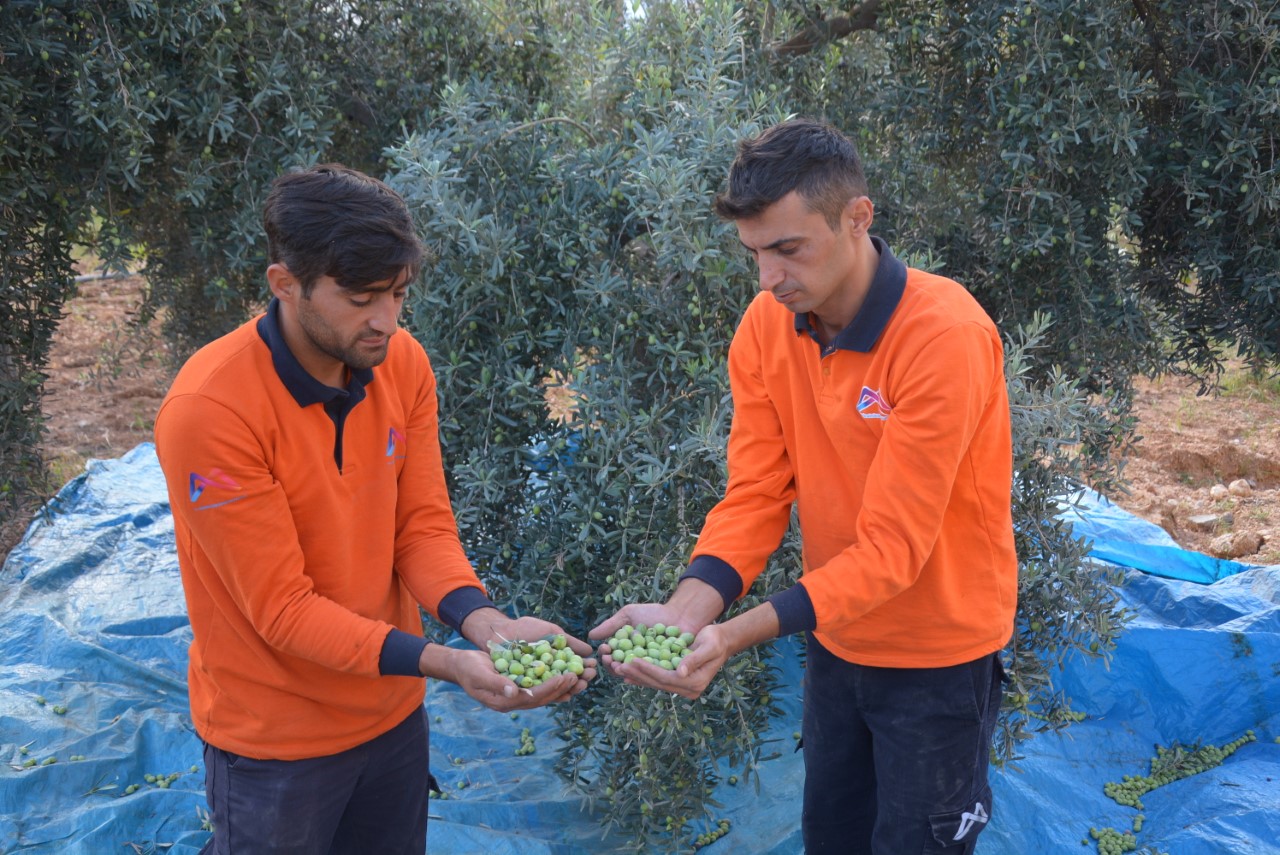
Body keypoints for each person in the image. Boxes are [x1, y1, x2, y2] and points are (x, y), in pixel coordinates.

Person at [591, 118, 1017, 854]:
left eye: (788, 249)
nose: (768, 277)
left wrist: (735, 634)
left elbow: (891, 550)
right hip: (837, 642)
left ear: (858, 218)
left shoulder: (943, 336)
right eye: (754, 253)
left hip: (938, 658)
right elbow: (755, 492)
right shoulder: (766, 327)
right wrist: (689, 609)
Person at [154, 163, 595, 855]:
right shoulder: (211, 411)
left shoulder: (403, 363)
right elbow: (282, 609)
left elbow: (419, 528)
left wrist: (485, 624)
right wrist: (444, 663)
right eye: (362, 297)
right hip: (276, 747)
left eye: (397, 294)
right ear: (285, 286)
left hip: (391, 717)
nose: (386, 320)